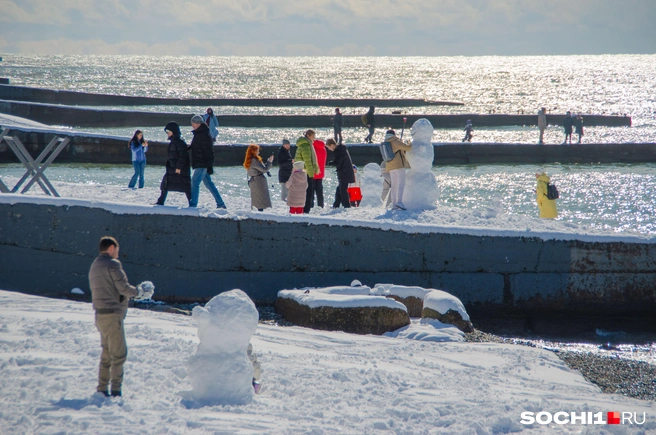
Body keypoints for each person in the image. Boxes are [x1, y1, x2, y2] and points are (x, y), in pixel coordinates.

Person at [88, 236, 152, 397]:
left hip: (100, 315)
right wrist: (139, 292)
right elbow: (123, 288)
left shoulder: (95, 265)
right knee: (119, 354)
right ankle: (116, 390)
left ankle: (102, 388)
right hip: (112, 315)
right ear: (111, 248)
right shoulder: (113, 264)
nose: (118, 252)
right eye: (117, 249)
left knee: (107, 353)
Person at [189, 114, 227, 209]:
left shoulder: (203, 135)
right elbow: (194, 146)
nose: (192, 125)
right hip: (201, 163)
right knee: (209, 184)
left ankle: (193, 205)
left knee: (194, 182)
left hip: (202, 164)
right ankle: (221, 204)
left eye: (193, 123)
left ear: (198, 123)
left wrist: (209, 166)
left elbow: (209, 152)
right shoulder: (199, 134)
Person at [156, 122, 191, 205]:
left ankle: (191, 202)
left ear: (173, 132)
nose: (167, 134)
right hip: (172, 168)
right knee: (165, 184)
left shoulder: (179, 143)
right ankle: (160, 201)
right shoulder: (174, 142)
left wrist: (179, 167)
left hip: (178, 169)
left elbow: (183, 156)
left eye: (169, 132)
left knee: (186, 186)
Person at [384, 129, 412, 210]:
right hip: (399, 166)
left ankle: (394, 204)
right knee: (401, 183)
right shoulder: (396, 141)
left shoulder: (386, 142)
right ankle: (399, 202)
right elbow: (408, 148)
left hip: (390, 167)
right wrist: (409, 142)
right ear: (394, 135)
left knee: (394, 186)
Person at [295, 130, 320, 214]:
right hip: (305, 173)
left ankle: (302, 209)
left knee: (303, 192)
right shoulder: (306, 146)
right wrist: (311, 174)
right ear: (308, 136)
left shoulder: (304, 144)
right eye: (313, 136)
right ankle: (306, 210)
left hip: (300, 172)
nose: (314, 138)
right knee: (308, 192)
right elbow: (308, 161)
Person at [244, 144, 274, 211]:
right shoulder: (254, 160)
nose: (258, 152)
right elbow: (264, 169)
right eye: (257, 151)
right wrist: (269, 162)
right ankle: (260, 214)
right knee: (261, 199)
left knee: (257, 199)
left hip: (253, 181)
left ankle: (259, 212)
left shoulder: (249, 160)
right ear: (253, 152)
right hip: (258, 181)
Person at [326, 139, 354, 208]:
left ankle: (346, 205)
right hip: (347, 172)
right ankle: (336, 205)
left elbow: (338, 163)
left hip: (344, 173)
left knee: (343, 190)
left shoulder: (338, 151)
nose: (329, 149)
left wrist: (330, 163)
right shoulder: (341, 149)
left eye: (328, 147)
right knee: (339, 189)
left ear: (332, 145)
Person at [312, 138, 328, 208]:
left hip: (312, 173)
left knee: (311, 192)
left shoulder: (313, 148)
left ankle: (311, 206)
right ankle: (321, 205)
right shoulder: (323, 148)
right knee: (319, 192)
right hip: (320, 173)